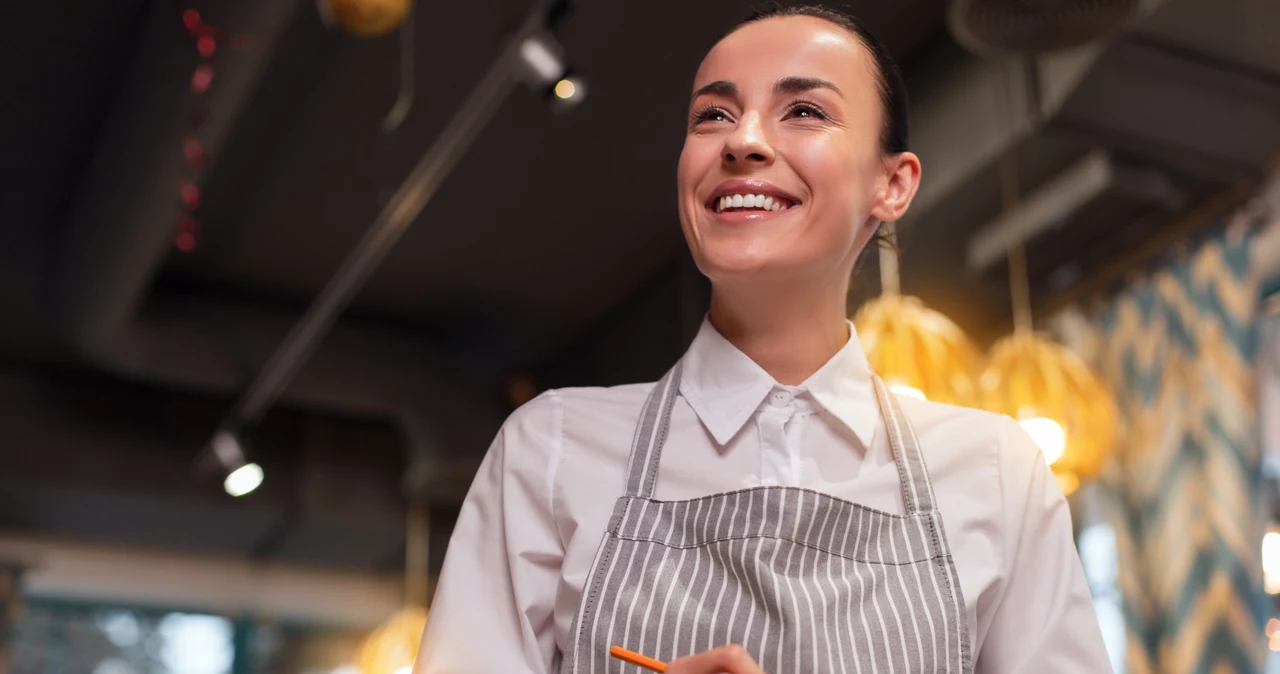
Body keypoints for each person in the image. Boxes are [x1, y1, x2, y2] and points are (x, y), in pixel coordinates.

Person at [416, 5, 1110, 673]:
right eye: (712, 115)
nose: (741, 141)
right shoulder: (551, 451)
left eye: (804, 110)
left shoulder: (996, 473)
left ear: (892, 184)